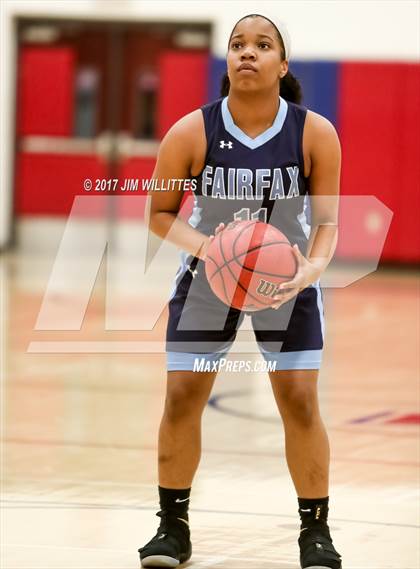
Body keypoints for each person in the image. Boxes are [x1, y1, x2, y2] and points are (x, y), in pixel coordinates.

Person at [138, 13, 342, 569]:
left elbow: (327, 224)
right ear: (227, 61)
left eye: (262, 44)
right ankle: (171, 529)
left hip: (287, 279)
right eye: (237, 45)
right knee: (182, 398)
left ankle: (315, 534)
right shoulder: (191, 131)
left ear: (282, 64)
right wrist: (212, 251)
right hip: (208, 281)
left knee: (299, 401)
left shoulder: (315, 133)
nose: (247, 53)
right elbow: (158, 214)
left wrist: (312, 269)